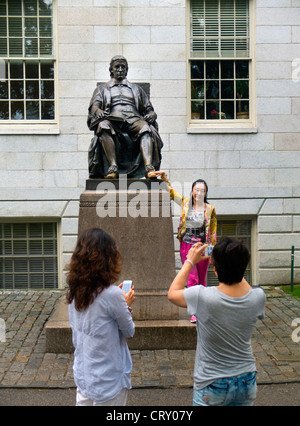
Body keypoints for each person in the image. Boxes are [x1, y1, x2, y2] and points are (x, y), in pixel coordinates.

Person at [168, 237, 266, 406]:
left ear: (215, 269)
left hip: (212, 382)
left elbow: (172, 292)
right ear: (245, 266)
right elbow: (241, 281)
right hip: (246, 378)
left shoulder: (202, 296)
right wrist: (233, 264)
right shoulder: (258, 297)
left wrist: (190, 261)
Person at [66, 228, 135, 406]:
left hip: (84, 374)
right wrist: (125, 305)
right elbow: (128, 331)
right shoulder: (112, 295)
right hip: (108, 379)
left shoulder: (73, 290)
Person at [151, 171, 217, 322]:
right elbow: (172, 193)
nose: (199, 192)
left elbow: (212, 232)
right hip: (187, 246)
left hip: (202, 248)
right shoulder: (186, 203)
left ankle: (203, 310)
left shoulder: (209, 209)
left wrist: (211, 252)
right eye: (197, 189)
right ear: (192, 190)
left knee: (202, 280)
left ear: (205, 193)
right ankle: (194, 312)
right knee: (192, 280)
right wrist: (164, 179)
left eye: (203, 190)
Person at [87, 55, 163, 179]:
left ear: (127, 70)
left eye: (123, 67)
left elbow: (149, 108)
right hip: (113, 120)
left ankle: (149, 168)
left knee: (145, 128)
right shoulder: (102, 89)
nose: (120, 69)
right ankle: (113, 167)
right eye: (117, 66)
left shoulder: (136, 89)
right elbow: (94, 106)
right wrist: (98, 111)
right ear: (111, 70)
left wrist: (152, 114)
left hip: (134, 119)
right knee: (103, 125)